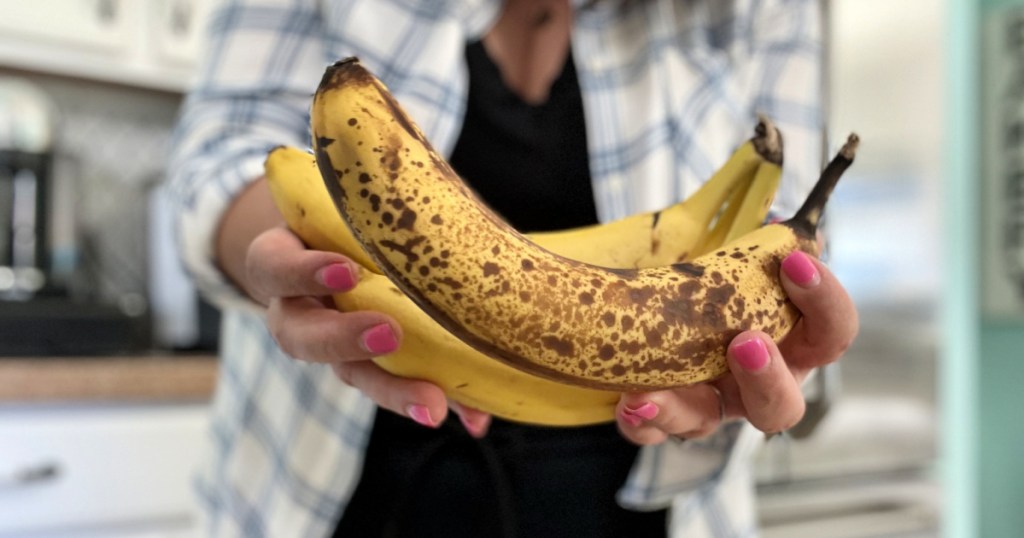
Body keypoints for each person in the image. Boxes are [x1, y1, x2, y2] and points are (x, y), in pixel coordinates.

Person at [166, 0, 859, 536]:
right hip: (322, 487)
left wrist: (775, 340)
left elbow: (776, 239)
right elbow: (223, 155)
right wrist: (295, 253)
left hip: (652, 503)